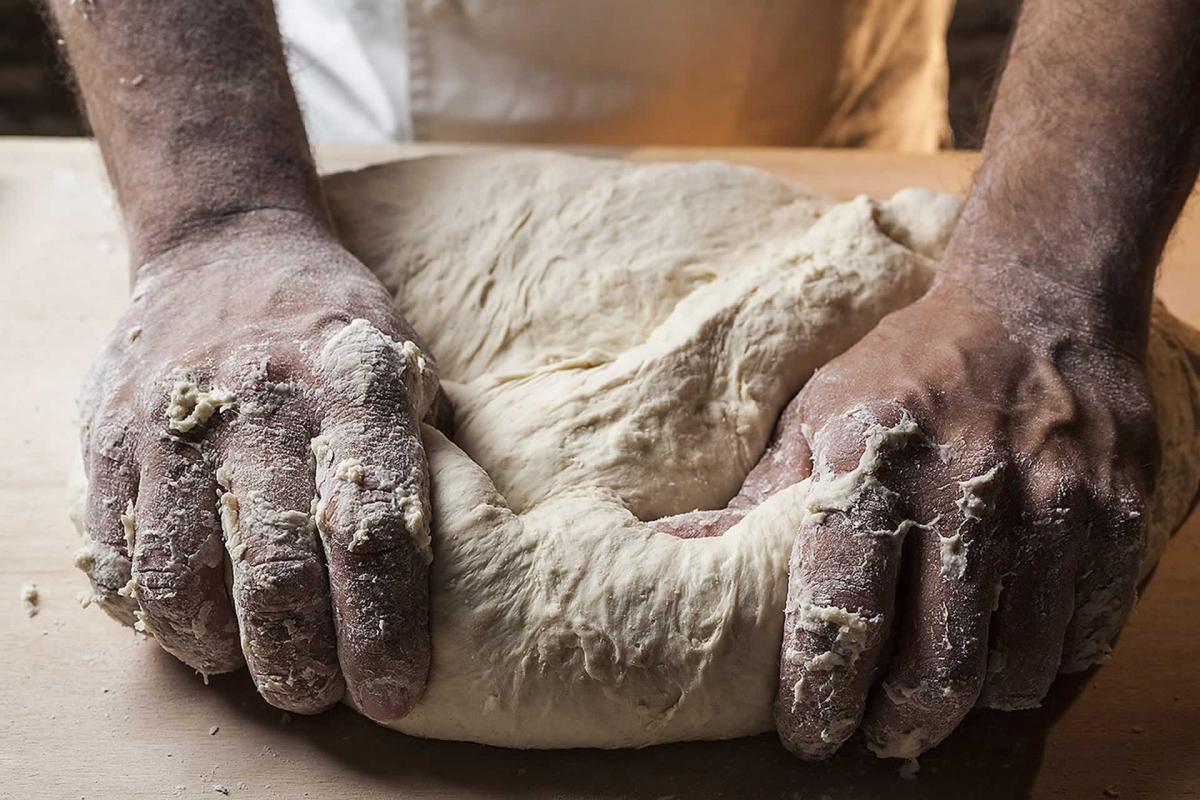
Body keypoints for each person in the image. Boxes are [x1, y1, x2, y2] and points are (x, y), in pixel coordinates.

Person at [48, 0, 1199, 761]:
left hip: (816, 76)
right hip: (326, 107)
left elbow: (1036, 287)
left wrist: (1041, 272)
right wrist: (220, 209)